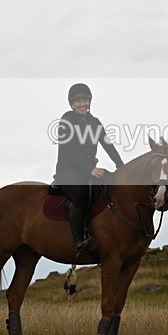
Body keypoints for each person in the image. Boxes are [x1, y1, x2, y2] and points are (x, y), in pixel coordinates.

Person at [54, 83, 124, 256]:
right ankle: (78, 240)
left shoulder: (95, 122)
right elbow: (70, 150)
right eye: (78, 101)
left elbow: (108, 144)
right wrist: (89, 170)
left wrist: (121, 166)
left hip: (88, 168)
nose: (82, 104)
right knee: (81, 193)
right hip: (68, 169)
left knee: (108, 188)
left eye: (85, 100)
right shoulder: (66, 121)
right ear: (72, 104)